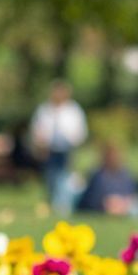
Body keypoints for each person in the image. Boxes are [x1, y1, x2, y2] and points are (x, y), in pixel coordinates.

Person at [29, 80, 88, 212]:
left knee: (64, 179)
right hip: (49, 150)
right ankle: (54, 204)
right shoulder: (44, 110)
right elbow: (37, 130)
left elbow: (80, 132)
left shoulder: (73, 110)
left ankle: (62, 206)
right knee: (51, 179)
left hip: (67, 150)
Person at [76, 140, 138, 217]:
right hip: (102, 207)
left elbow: (135, 193)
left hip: (124, 205)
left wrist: (123, 202)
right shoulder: (98, 175)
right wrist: (107, 203)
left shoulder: (126, 174)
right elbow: (91, 198)